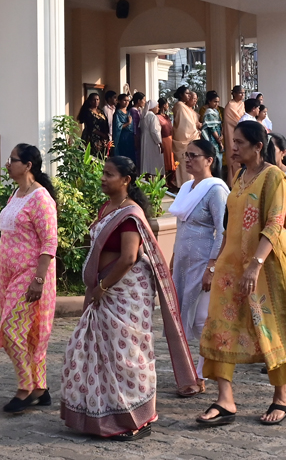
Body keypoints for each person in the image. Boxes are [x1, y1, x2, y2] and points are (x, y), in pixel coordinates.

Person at [196, 120, 286, 427]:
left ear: (258, 146)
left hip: (266, 266)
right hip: (231, 267)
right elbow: (229, 226)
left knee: (271, 326)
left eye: (240, 142)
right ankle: (225, 399)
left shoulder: (274, 177)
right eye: (233, 142)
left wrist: (255, 266)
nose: (233, 147)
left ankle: (281, 398)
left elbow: (274, 223)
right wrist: (215, 263)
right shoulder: (239, 177)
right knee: (221, 326)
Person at [61, 156, 197, 438]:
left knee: (125, 354)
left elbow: (128, 257)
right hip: (105, 290)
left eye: (109, 174)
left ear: (126, 180)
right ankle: (99, 415)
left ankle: (133, 418)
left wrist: (103, 287)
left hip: (124, 293)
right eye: (103, 173)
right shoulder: (107, 207)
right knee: (96, 352)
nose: (103, 178)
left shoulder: (130, 215)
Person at [0, 144, 58, 414]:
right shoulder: (17, 194)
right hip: (10, 273)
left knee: (11, 329)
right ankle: (40, 389)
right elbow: (7, 234)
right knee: (26, 332)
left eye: (13, 160)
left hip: (31, 274)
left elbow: (50, 241)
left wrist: (39, 280)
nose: (7, 165)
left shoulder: (41, 198)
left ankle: (25, 388)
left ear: (28, 165)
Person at [169, 139, 229, 384]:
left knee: (201, 318)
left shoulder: (216, 190)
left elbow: (222, 231)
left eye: (193, 155)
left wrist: (212, 267)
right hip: (183, 262)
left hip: (204, 260)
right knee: (184, 316)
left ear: (209, 160)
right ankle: (193, 369)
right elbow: (181, 226)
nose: (188, 159)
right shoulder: (186, 188)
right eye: (186, 154)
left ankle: (203, 372)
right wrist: (174, 257)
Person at [173, 86, 200, 187]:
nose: (189, 96)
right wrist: (196, 130)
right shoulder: (180, 106)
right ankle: (185, 185)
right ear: (181, 95)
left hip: (189, 137)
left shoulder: (184, 106)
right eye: (187, 93)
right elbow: (186, 125)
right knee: (185, 165)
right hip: (184, 139)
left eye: (189, 94)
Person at [223, 87, 247, 178]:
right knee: (234, 156)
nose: (243, 95)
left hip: (244, 133)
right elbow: (233, 121)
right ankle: (233, 180)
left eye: (244, 93)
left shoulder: (243, 104)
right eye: (240, 93)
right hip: (232, 133)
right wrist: (243, 123)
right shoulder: (230, 105)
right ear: (234, 94)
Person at [138, 99, 166, 176]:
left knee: (147, 161)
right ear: (152, 107)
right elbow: (154, 131)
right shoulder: (152, 116)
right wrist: (160, 143)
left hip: (145, 140)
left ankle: (147, 178)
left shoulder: (144, 116)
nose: (158, 108)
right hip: (152, 142)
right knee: (155, 162)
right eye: (157, 106)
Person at [78, 93, 110, 157]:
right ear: (90, 101)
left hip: (102, 138)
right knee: (92, 156)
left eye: (97, 99)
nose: (96, 101)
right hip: (91, 137)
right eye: (94, 100)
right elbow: (91, 127)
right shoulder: (88, 112)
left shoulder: (101, 111)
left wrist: (106, 135)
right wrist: (102, 135)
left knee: (102, 157)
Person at [158, 97, 177, 188]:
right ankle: (162, 182)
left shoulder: (166, 116)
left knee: (171, 160)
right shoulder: (157, 117)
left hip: (170, 139)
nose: (168, 106)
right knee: (164, 160)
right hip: (164, 139)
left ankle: (170, 180)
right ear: (163, 105)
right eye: (167, 104)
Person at [201, 91, 224, 162]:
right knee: (214, 159)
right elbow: (212, 128)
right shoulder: (209, 113)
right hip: (212, 139)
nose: (217, 104)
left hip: (218, 137)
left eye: (218, 102)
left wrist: (222, 135)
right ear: (209, 101)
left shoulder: (216, 112)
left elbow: (220, 124)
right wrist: (218, 140)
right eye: (215, 102)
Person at [111, 94, 135, 160]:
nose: (126, 102)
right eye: (124, 100)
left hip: (130, 137)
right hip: (122, 137)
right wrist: (128, 123)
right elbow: (117, 127)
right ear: (119, 101)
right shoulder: (117, 113)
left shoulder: (128, 112)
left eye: (128, 100)